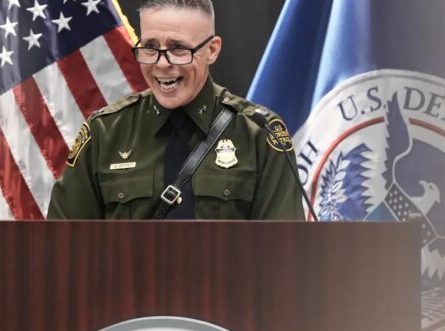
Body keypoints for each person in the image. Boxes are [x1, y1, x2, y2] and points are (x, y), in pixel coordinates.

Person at [48, 0, 304, 220]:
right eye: (150, 47)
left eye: (178, 48)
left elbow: (283, 254)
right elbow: (63, 248)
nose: (161, 63)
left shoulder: (258, 133)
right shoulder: (104, 133)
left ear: (212, 50)